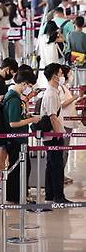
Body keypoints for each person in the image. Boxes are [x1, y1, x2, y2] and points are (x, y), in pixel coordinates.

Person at [3, 67, 40, 204]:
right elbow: (13, 122)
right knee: (18, 169)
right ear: (23, 83)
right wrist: (32, 120)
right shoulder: (13, 99)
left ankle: (17, 196)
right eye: (29, 85)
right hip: (16, 139)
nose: (29, 88)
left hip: (19, 138)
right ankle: (16, 196)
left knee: (21, 168)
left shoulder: (16, 97)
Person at [40, 63, 72, 204]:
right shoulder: (51, 94)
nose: (62, 76)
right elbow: (52, 116)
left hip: (52, 135)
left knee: (52, 165)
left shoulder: (53, 92)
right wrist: (59, 134)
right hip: (54, 136)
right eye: (60, 73)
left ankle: (50, 195)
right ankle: (58, 196)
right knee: (57, 166)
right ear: (54, 76)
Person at [38, 22, 64, 89]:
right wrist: (58, 32)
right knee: (52, 75)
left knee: (44, 76)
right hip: (52, 59)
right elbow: (63, 39)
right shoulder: (53, 38)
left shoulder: (41, 37)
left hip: (44, 59)